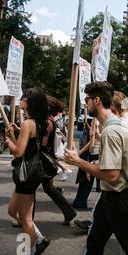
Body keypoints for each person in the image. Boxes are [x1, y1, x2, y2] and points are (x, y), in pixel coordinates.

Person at [64, 82, 128, 255]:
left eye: (87, 100)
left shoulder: (112, 131)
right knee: (94, 243)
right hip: (111, 197)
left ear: (97, 100)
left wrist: (79, 162)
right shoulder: (113, 126)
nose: (86, 104)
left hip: (119, 199)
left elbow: (112, 175)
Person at [5, 88, 51, 255]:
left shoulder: (28, 123)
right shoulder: (39, 122)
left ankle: (27, 254)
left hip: (27, 175)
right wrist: (17, 131)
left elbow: (18, 152)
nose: (21, 100)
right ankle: (39, 239)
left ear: (29, 102)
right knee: (12, 211)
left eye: (24, 98)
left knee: (25, 218)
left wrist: (9, 140)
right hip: (30, 173)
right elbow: (29, 146)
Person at [43, 95, 77, 225]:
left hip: (44, 161)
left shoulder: (47, 121)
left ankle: (26, 219)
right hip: (48, 160)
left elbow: (43, 144)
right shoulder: (50, 120)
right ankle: (69, 212)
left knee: (30, 190)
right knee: (49, 189)